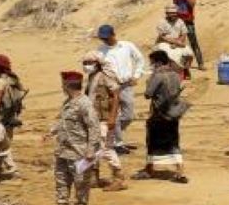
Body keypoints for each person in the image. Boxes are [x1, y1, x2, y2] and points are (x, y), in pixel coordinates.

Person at [42, 70, 102, 205]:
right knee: (61, 180)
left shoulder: (84, 103)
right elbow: (64, 121)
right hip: (63, 150)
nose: (62, 86)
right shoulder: (68, 102)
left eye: (63, 83)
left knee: (81, 182)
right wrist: (52, 131)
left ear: (67, 85)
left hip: (80, 152)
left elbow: (94, 127)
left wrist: (90, 149)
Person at [134, 48, 189, 183]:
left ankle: (149, 169)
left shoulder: (158, 76)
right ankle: (180, 171)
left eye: (152, 62)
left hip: (159, 114)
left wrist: (149, 79)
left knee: (152, 142)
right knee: (173, 141)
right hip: (173, 113)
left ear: (158, 62)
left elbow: (148, 94)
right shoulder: (175, 75)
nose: (152, 65)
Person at [93, 24, 146, 153]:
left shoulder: (127, 46)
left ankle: (112, 136)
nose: (104, 40)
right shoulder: (100, 50)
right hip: (110, 86)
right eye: (102, 38)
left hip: (126, 84)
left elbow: (140, 60)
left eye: (106, 37)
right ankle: (118, 142)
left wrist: (136, 75)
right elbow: (93, 67)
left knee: (128, 115)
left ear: (113, 34)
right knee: (113, 115)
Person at [81, 54, 128, 191]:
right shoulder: (92, 77)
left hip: (104, 119)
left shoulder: (105, 76)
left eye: (89, 62)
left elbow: (115, 95)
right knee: (93, 147)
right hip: (94, 118)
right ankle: (94, 177)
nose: (86, 65)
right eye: (85, 62)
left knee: (106, 149)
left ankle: (119, 178)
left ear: (97, 63)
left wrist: (112, 117)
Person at [0, 54, 25, 178]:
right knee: (4, 144)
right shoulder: (13, 80)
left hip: (0, 119)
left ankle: (11, 169)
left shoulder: (0, 82)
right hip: (10, 117)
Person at [171, 0, 204, 69]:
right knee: (179, 42)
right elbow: (176, 6)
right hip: (179, 21)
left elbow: (192, 5)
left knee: (193, 41)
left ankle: (200, 63)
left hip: (188, 21)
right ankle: (182, 63)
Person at [153, 6, 193, 71]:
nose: (173, 15)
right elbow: (163, 37)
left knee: (189, 53)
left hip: (178, 42)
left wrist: (177, 43)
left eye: (174, 13)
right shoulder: (162, 22)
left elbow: (184, 34)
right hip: (165, 42)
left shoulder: (180, 21)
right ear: (167, 13)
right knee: (166, 53)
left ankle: (186, 70)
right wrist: (175, 43)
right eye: (171, 13)